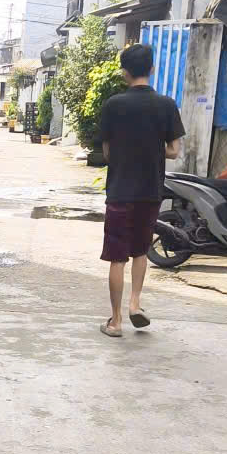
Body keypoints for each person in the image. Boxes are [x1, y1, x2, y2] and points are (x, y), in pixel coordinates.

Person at [96, 43, 185, 337]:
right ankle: (135, 303)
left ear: (124, 72)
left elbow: (107, 153)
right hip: (150, 191)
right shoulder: (167, 105)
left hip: (120, 191)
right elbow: (173, 151)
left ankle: (116, 322)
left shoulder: (113, 105)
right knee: (140, 251)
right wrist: (151, 148)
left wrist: (127, 150)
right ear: (152, 69)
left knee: (117, 257)